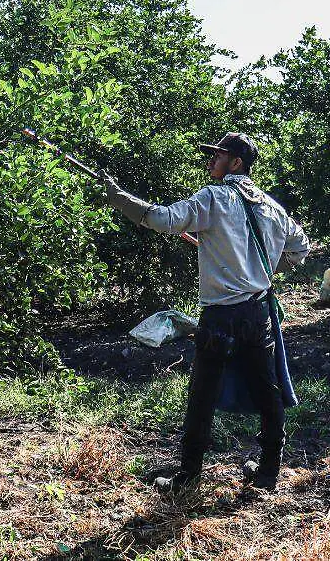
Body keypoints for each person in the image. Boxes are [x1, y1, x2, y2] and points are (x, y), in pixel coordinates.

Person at [100, 132, 310, 491]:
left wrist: (118, 198)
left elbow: (162, 219)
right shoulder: (273, 207)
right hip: (258, 313)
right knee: (266, 390)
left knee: (202, 394)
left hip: (221, 316)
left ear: (236, 163)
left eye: (218, 155)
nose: (211, 160)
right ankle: (268, 473)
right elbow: (300, 249)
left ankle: (188, 477)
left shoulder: (214, 199)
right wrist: (263, 269)